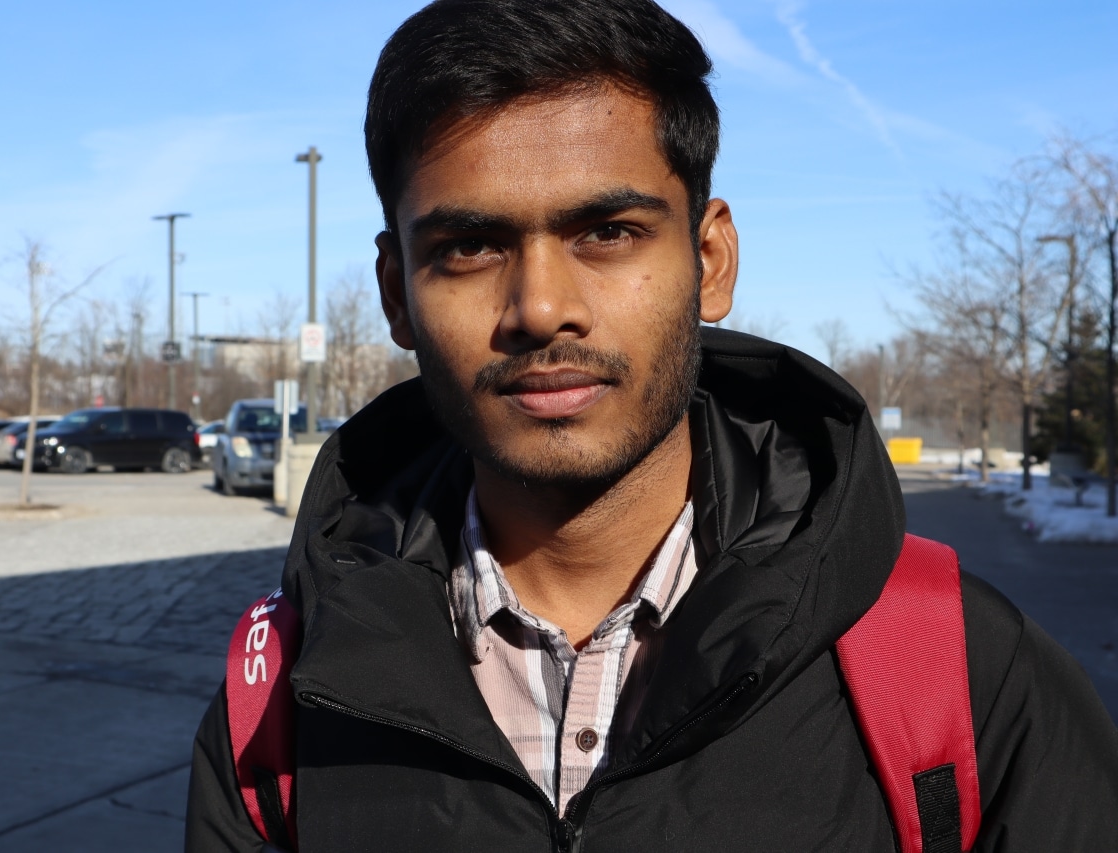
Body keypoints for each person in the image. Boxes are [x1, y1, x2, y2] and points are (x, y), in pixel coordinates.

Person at [186, 1, 1118, 850]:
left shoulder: (951, 663)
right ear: (396, 293)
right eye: (470, 246)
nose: (543, 307)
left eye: (609, 232)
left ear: (709, 259)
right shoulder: (280, 700)